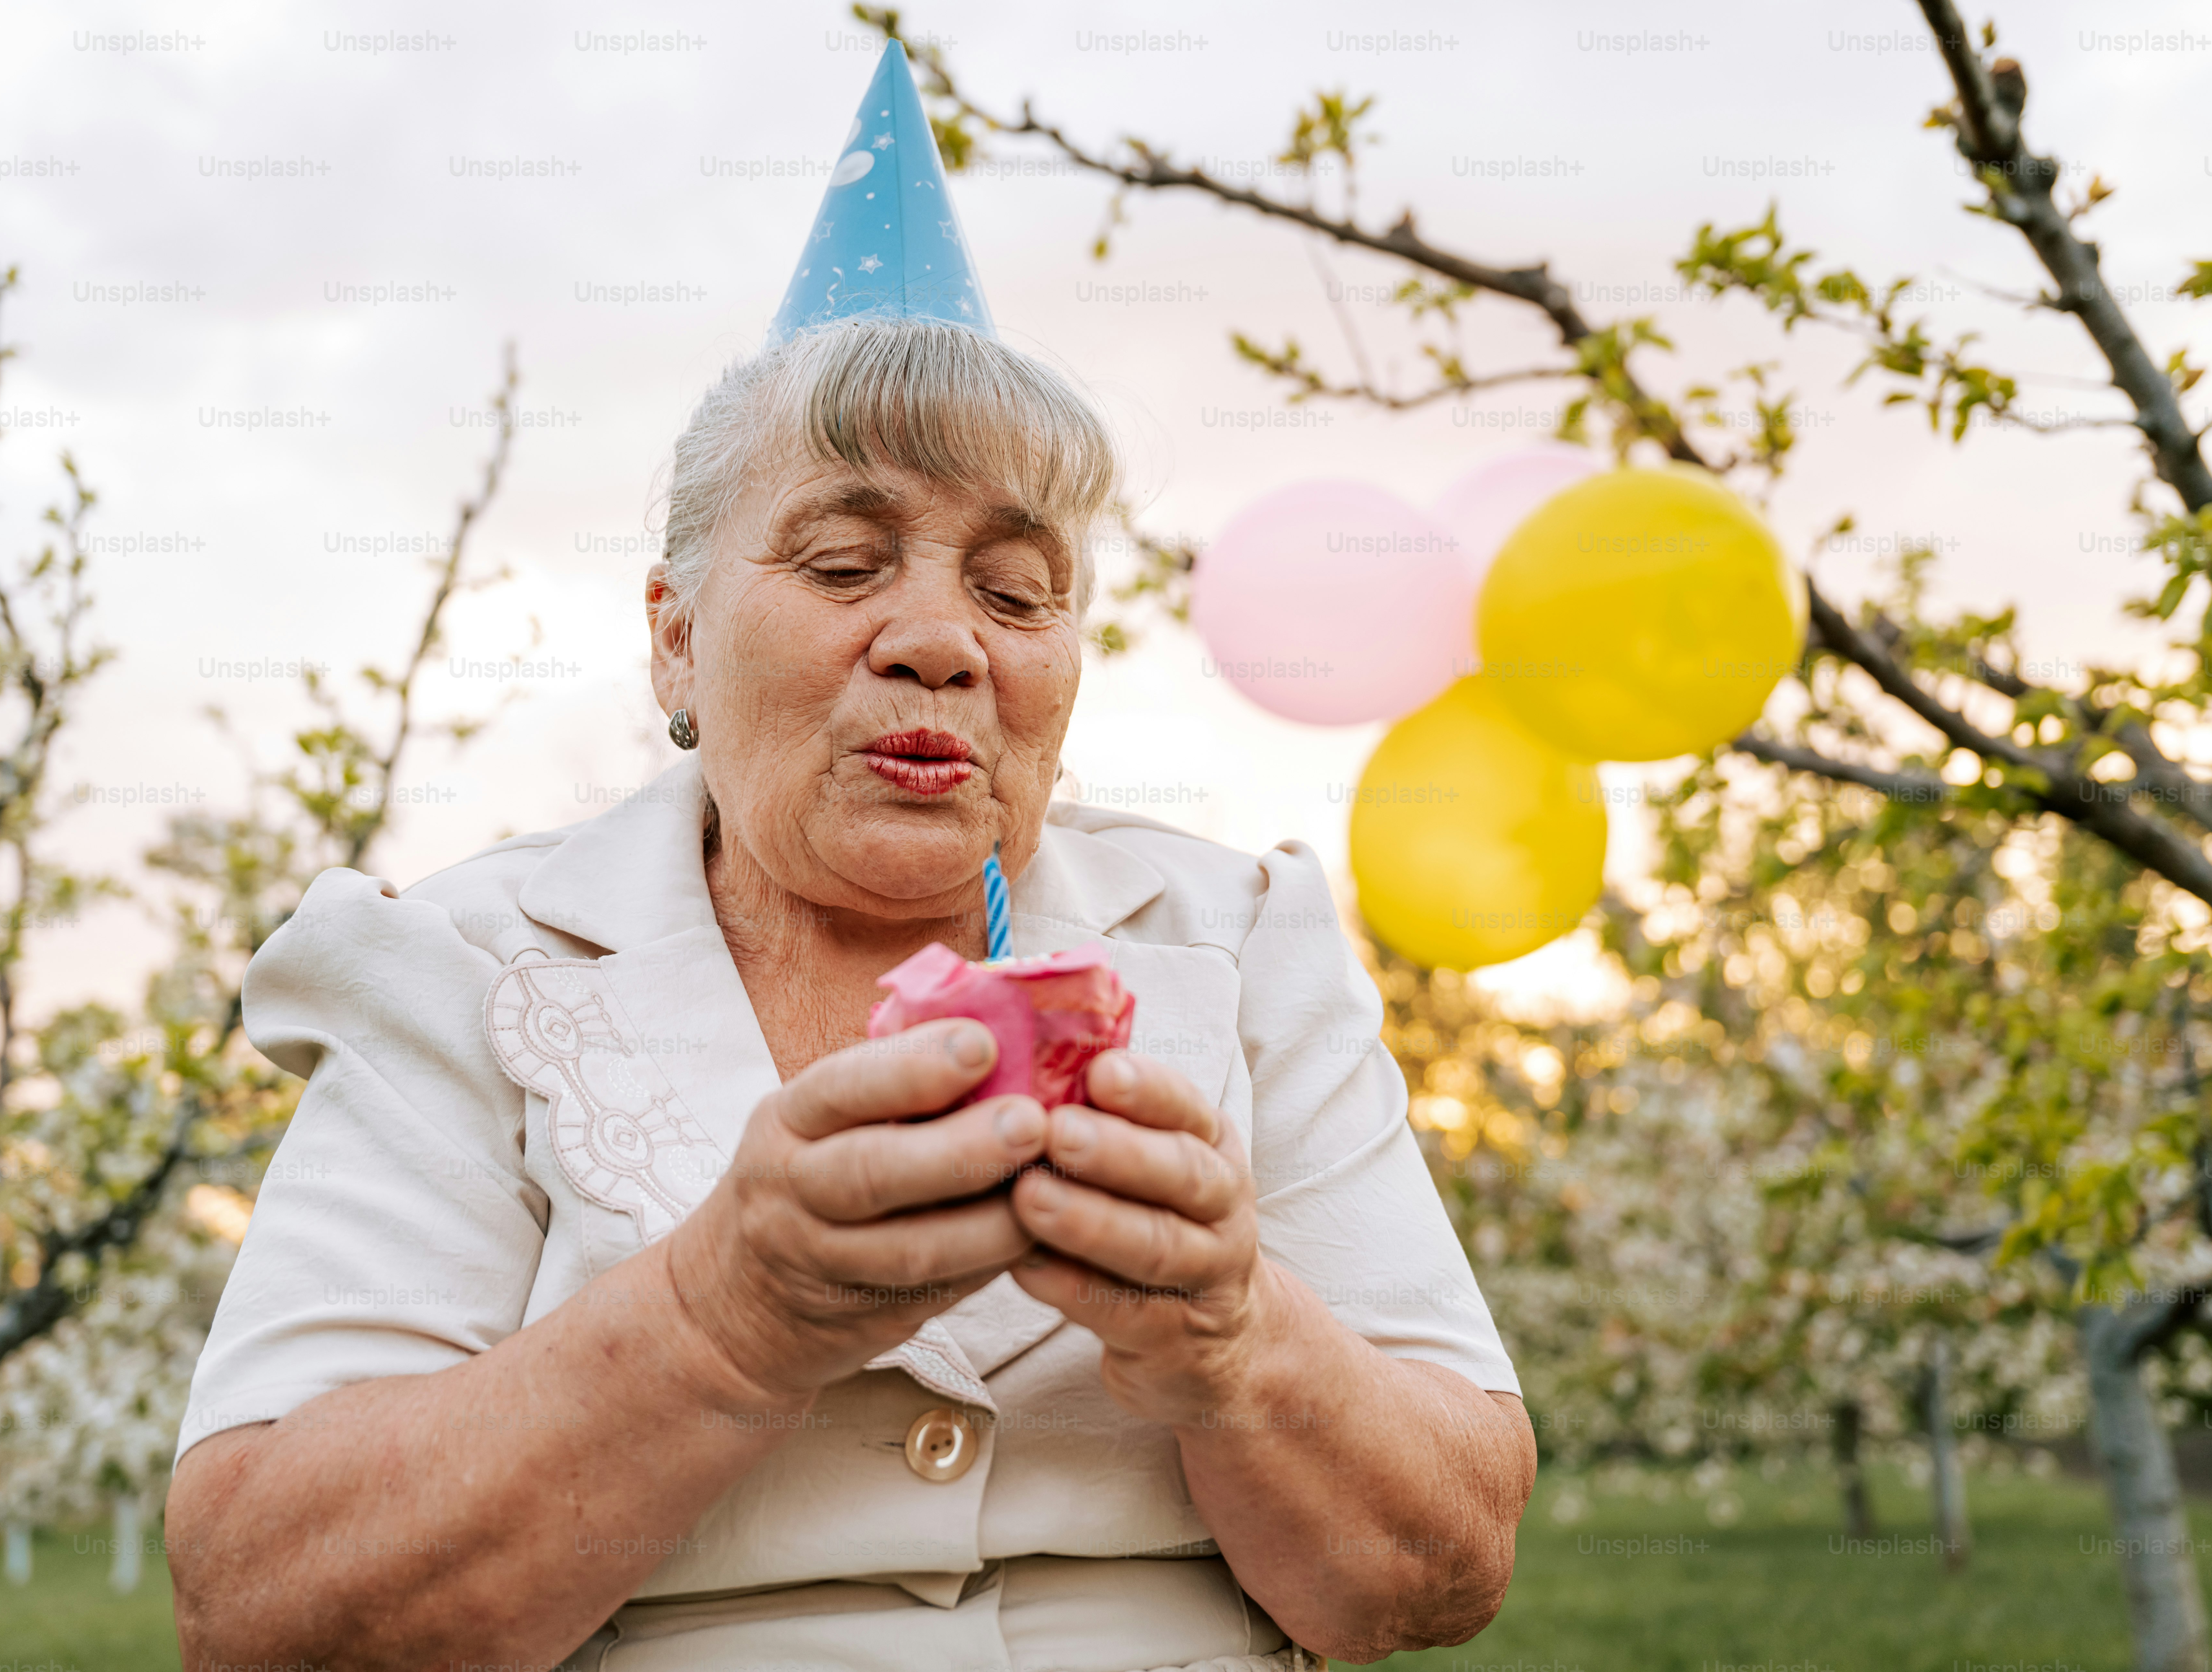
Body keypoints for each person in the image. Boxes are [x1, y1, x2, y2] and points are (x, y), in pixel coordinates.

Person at [164, 41, 1532, 1672]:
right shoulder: (460, 967)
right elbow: (262, 1612)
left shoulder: (1238, 940)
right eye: (844, 559)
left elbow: (1440, 1574)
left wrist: (1239, 1341)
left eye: (1020, 593)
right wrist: (719, 1319)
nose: (944, 642)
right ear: (675, 644)